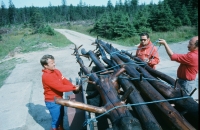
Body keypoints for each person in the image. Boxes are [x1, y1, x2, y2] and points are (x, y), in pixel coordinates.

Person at [40, 54, 79, 130]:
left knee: (61, 116)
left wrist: (72, 86)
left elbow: (64, 80)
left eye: (54, 62)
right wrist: (74, 87)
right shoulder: (46, 76)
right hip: (52, 102)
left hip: (59, 99)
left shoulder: (56, 71)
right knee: (56, 121)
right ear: (45, 65)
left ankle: (61, 128)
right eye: (52, 63)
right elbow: (60, 88)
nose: (54, 64)